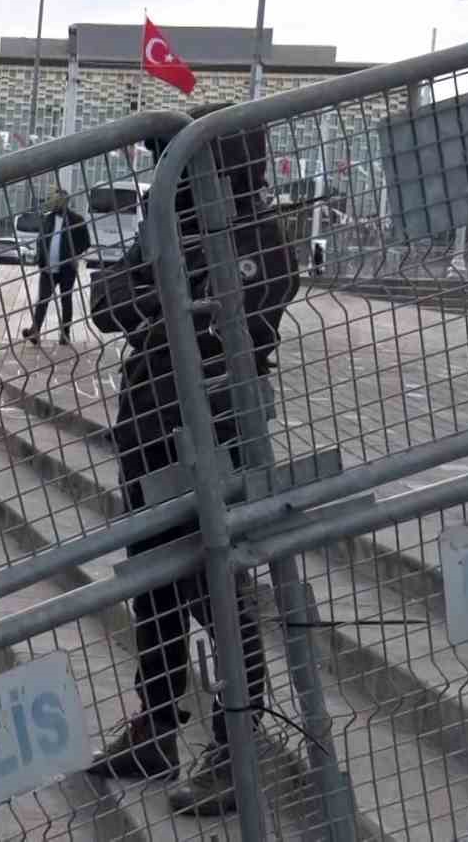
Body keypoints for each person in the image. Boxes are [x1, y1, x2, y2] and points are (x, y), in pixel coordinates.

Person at [86, 104, 298, 816]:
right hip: (148, 425)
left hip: (214, 436)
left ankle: (238, 748)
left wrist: (166, 297)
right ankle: (156, 725)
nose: (167, 172)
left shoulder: (256, 235)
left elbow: (232, 315)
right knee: (153, 583)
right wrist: (171, 295)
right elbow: (108, 302)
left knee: (215, 588)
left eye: (182, 155)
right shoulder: (171, 223)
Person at [21, 189, 91, 346]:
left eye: (58, 200)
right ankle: (35, 331)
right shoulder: (48, 219)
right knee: (42, 300)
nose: (54, 203)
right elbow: (41, 239)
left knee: (66, 300)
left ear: (65, 202)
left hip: (67, 268)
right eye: (54, 200)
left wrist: (75, 255)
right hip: (48, 269)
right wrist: (40, 258)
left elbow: (86, 242)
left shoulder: (77, 220)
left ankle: (65, 334)